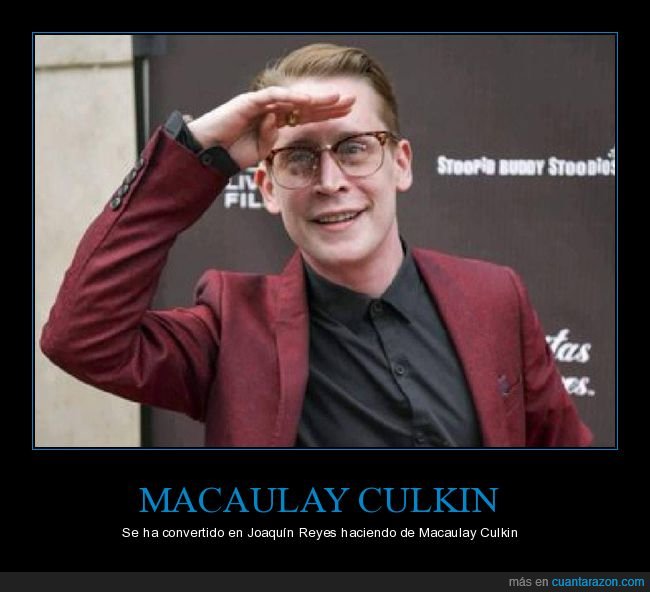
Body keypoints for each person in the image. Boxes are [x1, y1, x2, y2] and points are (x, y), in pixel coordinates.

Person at [40, 43, 592, 447]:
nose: (330, 181)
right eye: (299, 157)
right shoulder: (232, 327)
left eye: (354, 148)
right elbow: (81, 339)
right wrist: (195, 149)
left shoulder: (493, 298)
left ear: (400, 164)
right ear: (267, 187)